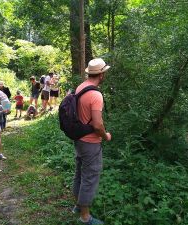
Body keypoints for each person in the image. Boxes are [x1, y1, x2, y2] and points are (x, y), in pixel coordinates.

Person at [72, 58, 111, 225]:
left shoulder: (81, 87)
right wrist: (105, 135)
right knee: (90, 177)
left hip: (79, 139)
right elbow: (97, 124)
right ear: (101, 74)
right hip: (90, 143)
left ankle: (78, 206)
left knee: (80, 173)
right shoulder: (95, 94)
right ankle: (85, 217)